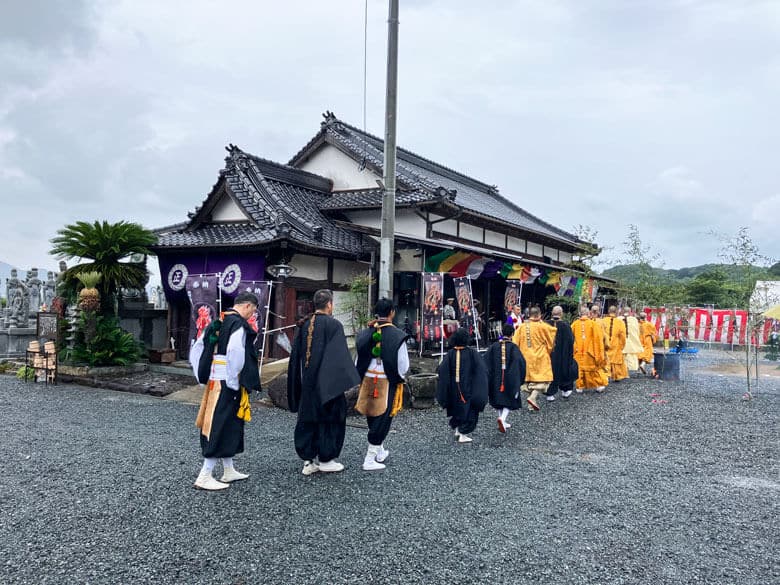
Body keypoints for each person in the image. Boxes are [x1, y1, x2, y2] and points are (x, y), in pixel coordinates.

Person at [190, 292, 260, 491]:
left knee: (229, 423)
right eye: (253, 311)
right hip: (227, 380)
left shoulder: (219, 320)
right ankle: (205, 475)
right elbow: (236, 352)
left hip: (216, 376)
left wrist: (201, 373)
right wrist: (233, 379)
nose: (252, 315)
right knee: (219, 424)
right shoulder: (237, 324)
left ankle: (228, 469)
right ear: (247, 306)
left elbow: (198, 348)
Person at [287, 289, 360, 475]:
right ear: (329, 304)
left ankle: (308, 460)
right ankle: (327, 459)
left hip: (307, 384)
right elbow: (338, 357)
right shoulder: (334, 325)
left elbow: (295, 357)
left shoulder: (304, 325)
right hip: (328, 385)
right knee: (331, 419)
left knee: (308, 419)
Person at [354, 299, 410, 471]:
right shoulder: (397, 335)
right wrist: (399, 377)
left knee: (372, 414)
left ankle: (379, 451)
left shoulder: (365, 333)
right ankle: (369, 459)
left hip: (368, 379)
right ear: (392, 312)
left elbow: (358, 360)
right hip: (386, 381)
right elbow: (403, 364)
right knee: (383, 418)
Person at [436, 327, 488, 443]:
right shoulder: (472, 353)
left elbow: (442, 370)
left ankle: (458, 431)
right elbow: (481, 370)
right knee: (469, 410)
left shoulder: (450, 354)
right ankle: (463, 433)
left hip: (454, 388)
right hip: (468, 387)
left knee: (456, 408)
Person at [512, 306, 557, 411]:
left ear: (529, 315)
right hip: (540, 357)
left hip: (525, 357)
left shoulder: (522, 327)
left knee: (528, 381)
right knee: (546, 379)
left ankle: (531, 403)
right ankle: (532, 397)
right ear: (539, 314)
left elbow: (515, 342)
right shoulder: (543, 326)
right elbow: (551, 339)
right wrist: (549, 351)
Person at [485, 323, 526, 433]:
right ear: (512, 334)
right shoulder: (513, 347)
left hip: (495, 378)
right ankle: (502, 418)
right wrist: (518, 378)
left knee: (498, 398)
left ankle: (502, 419)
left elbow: (486, 362)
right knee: (510, 398)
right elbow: (520, 363)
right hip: (510, 377)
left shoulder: (494, 346)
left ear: (501, 333)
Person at [572, 306, 607, 392]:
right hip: (590, 351)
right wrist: (599, 352)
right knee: (594, 369)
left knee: (579, 369)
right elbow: (598, 339)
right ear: (588, 314)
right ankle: (599, 386)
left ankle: (579, 386)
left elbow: (570, 337)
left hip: (578, 351)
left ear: (580, 314)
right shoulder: (593, 324)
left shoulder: (574, 324)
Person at [546, 305, 578, 400]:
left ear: (552, 313)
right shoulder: (565, 325)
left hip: (549, 354)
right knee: (566, 370)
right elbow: (570, 341)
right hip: (562, 355)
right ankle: (565, 390)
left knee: (550, 372)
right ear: (562, 314)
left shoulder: (545, 324)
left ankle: (549, 394)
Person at [604, 306, 629, 383]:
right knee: (616, 360)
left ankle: (606, 375)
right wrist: (622, 345)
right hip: (616, 344)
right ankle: (616, 376)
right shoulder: (620, 322)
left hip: (605, 344)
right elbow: (623, 336)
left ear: (608, 311)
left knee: (606, 359)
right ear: (616, 312)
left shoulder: (603, 320)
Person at [622, 308, 643, 372]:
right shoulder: (634, 320)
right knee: (632, 358)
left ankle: (623, 370)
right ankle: (632, 370)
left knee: (622, 358)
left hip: (622, 343)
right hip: (632, 342)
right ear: (630, 312)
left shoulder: (619, 319)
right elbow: (637, 331)